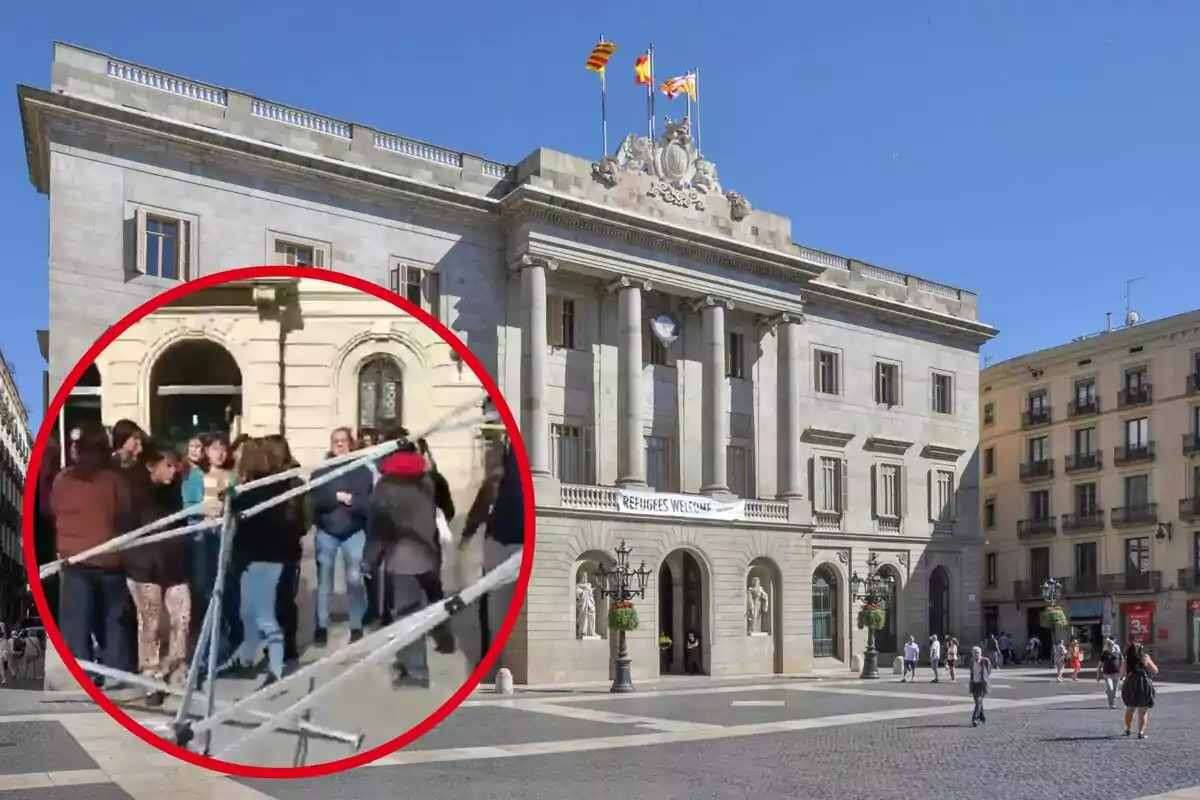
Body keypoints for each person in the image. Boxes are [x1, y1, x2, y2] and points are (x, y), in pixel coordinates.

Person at [50, 422, 134, 688]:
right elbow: (125, 513)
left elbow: (52, 509)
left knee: (79, 621)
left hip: (75, 560)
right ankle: (117, 669)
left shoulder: (63, 480)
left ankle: (85, 671)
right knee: (113, 619)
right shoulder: (113, 481)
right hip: (109, 558)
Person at [219, 438, 305, 688]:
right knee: (246, 611)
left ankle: (276, 668)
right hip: (249, 558)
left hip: (267, 559)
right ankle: (245, 656)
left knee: (265, 614)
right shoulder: (253, 487)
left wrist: (231, 496)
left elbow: (238, 503)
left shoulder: (266, 488)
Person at [363, 435, 441, 688]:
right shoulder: (426, 481)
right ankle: (409, 661)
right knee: (416, 610)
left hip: (403, 556)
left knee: (407, 614)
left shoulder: (386, 485)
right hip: (428, 553)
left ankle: (416, 671)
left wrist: (369, 559)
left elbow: (377, 526)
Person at [120, 442, 192, 706]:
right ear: (152, 466)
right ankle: (151, 674)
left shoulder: (174, 491)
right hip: (144, 567)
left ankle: (176, 668)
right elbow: (130, 527)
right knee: (151, 623)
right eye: (168, 466)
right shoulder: (135, 490)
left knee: (181, 617)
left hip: (174, 565)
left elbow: (180, 523)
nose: (173, 471)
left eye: (175, 466)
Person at [460, 437, 524, 662]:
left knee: (492, 601)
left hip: (504, 542)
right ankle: (491, 652)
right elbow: (479, 510)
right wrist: (468, 533)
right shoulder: (495, 482)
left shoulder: (497, 481)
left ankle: (490, 653)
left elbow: (477, 512)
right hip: (504, 542)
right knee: (492, 601)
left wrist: (467, 535)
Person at [310, 427, 373, 647]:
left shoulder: (362, 470)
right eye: (335, 441)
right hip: (327, 532)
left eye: (343, 441)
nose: (339, 445)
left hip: (354, 532)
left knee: (355, 581)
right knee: (324, 583)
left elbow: (369, 502)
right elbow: (314, 498)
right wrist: (335, 497)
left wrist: (353, 501)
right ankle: (321, 626)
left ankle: (356, 625)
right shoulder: (321, 471)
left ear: (351, 443)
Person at [261, 434, 306, 668]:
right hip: (279, 548)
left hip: (279, 548)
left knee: (280, 600)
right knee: (279, 600)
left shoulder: (289, 482)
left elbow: (305, 517)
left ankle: (284, 648)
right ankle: (282, 648)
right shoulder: (269, 481)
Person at [1120, 643, 1158, 738]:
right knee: (1143, 710)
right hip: (1144, 683)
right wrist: (1147, 661)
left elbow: (1121, 674)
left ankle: (1128, 729)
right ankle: (1141, 732)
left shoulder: (1127, 659)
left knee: (1130, 708)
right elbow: (1155, 670)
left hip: (1131, 683)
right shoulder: (1145, 657)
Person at [968, 645, 992, 727]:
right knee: (978, 703)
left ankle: (975, 719)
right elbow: (971, 673)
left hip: (981, 685)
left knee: (978, 702)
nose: (976, 654)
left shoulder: (985, 661)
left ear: (980, 653)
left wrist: (985, 678)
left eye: (977, 653)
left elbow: (989, 671)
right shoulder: (971, 661)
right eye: (974, 653)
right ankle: (982, 718)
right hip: (974, 684)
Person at [1097, 637, 1122, 709]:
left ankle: (1112, 699)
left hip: (1116, 673)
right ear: (1107, 645)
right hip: (1107, 674)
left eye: (1112, 644)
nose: (1111, 646)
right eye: (1109, 644)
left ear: (1114, 644)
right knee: (1110, 688)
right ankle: (1111, 703)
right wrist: (1098, 675)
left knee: (1114, 689)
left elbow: (1122, 663)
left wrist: (1123, 673)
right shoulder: (1104, 653)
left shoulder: (1118, 653)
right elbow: (1100, 665)